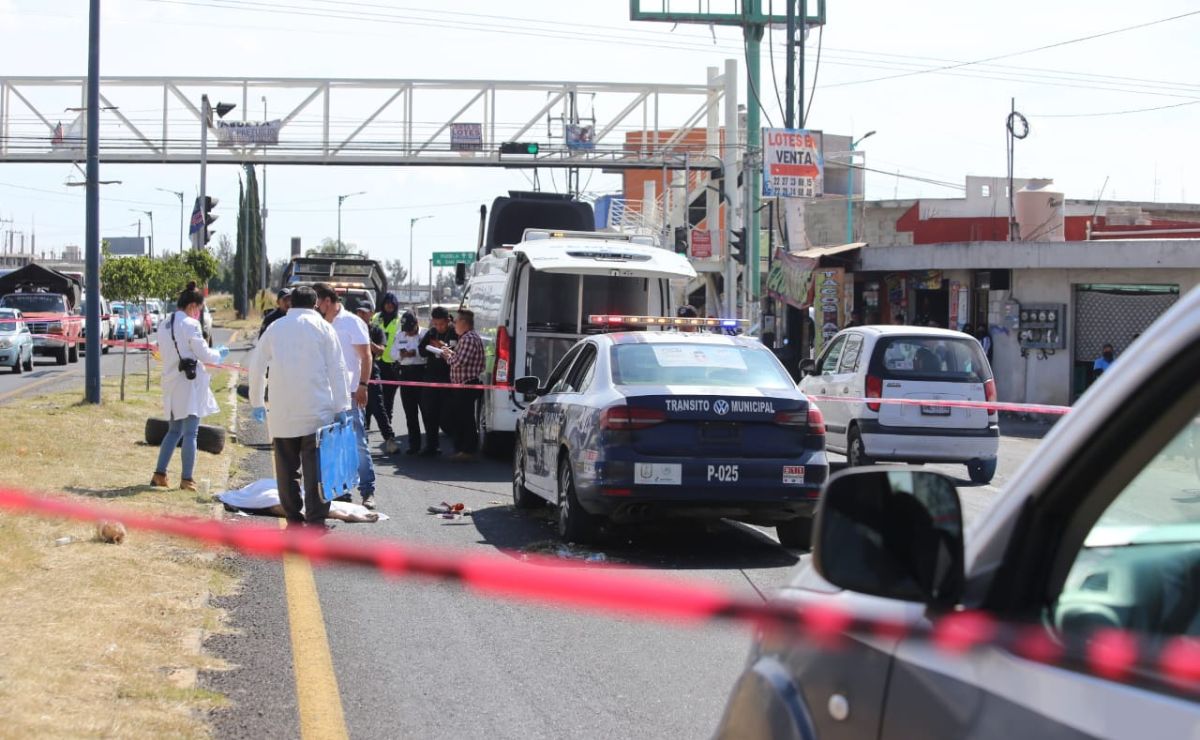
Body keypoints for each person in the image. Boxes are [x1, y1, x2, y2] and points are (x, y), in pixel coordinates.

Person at [249, 285, 351, 529]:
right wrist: (342, 406)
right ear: (315, 304)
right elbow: (337, 370)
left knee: (286, 471)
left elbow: (256, 367)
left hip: (283, 412)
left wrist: (256, 402)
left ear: (290, 303)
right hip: (318, 412)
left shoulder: (274, 328)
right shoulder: (324, 328)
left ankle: (294, 520)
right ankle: (316, 523)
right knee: (317, 471)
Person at [151, 282, 228, 491]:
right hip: (189, 382)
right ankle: (187, 479)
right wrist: (219, 354)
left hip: (171, 380)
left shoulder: (165, 322)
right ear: (193, 305)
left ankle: (160, 473)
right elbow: (203, 353)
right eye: (200, 309)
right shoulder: (191, 325)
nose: (199, 313)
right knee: (191, 432)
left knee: (173, 430)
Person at [314, 283, 376, 510]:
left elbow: (366, 356)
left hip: (349, 392)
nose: (315, 307)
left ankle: (367, 490)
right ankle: (339, 490)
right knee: (331, 443)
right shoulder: (318, 323)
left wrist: (363, 385)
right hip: (324, 393)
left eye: (317, 302)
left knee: (357, 442)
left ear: (327, 302)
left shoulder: (352, 322)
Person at [441, 309, 486, 460]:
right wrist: (451, 353)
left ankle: (467, 450)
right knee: (461, 417)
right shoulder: (467, 338)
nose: (454, 324)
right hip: (463, 385)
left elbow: (459, 362)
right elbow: (461, 358)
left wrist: (447, 356)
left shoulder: (468, 339)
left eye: (456, 321)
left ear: (464, 323)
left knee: (465, 418)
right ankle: (463, 449)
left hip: (466, 385)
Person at [356, 299, 396, 454]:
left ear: (371, 314)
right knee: (359, 407)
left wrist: (368, 342)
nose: (361, 314)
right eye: (359, 311)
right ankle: (361, 440)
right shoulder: (352, 329)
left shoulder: (376, 330)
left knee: (378, 406)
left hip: (372, 371)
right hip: (356, 372)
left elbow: (380, 350)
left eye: (364, 312)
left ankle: (389, 438)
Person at [417, 305, 457, 456]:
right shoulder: (432, 333)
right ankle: (432, 445)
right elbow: (421, 349)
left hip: (449, 378)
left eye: (441, 324)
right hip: (432, 378)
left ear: (448, 321)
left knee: (448, 414)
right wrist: (430, 347)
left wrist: (443, 347)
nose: (439, 327)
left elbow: (459, 353)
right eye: (436, 324)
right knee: (429, 412)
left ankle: (457, 447)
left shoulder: (455, 332)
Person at [390, 310, 428, 455]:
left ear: (416, 324)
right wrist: (402, 354)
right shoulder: (400, 335)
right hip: (405, 374)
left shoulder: (425, 334)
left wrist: (415, 353)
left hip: (421, 373)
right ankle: (414, 444)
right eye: (406, 330)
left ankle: (431, 445)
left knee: (426, 411)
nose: (409, 333)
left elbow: (430, 353)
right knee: (410, 412)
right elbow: (392, 353)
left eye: (411, 330)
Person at [373, 292, 404, 429]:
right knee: (377, 395)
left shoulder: (400, 320)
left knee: (389, 396)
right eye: (387, 304)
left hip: (392, 363)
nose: (389, 307)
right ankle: (371, 424)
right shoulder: (376, 318)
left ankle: (388, 421)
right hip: (377, 361)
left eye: (392, 305)